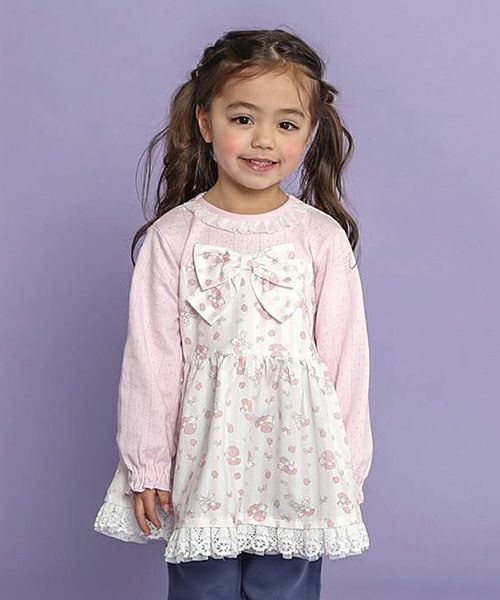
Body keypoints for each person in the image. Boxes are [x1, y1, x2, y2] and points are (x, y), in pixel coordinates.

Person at [93, 27, 374, 600]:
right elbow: (151, 361)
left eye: (286, 125)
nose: (263, 139)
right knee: (203, 590)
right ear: (205, 121)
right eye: (243, 118)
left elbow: (346, 363)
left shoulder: (320, 238)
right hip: (205, 462)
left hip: (298, 461)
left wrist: (344, 468)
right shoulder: (174, 237)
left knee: (285, 589)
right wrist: (148, 465)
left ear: (310, 134)